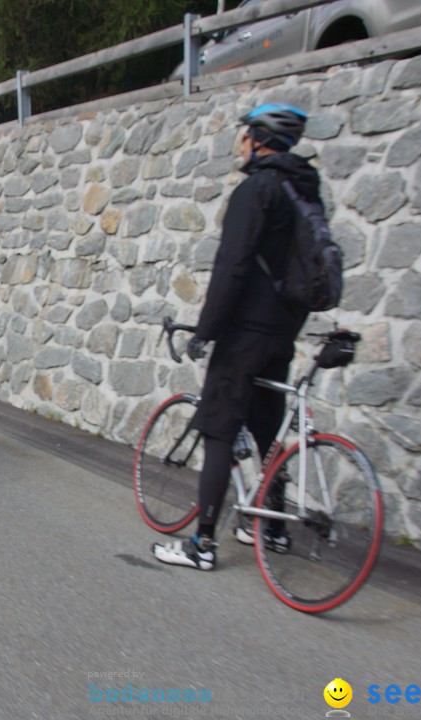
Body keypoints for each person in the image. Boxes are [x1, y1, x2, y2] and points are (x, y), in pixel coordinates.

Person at [153, 103, 318, 571]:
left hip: (246, 331)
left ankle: (202, 544)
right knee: (267, 430)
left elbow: (233, 267)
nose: (241, 142)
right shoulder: (303, 188)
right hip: (285, 329)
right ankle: (271, 527)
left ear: (258, 138)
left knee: (219, 428)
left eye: (245, 134)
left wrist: (205, 332)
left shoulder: (256, 189)